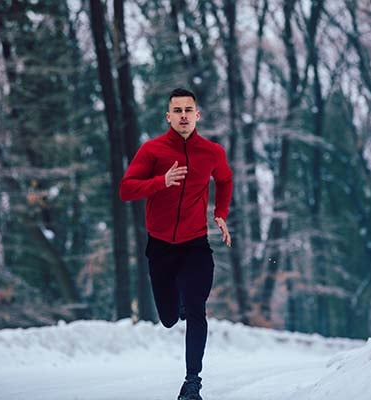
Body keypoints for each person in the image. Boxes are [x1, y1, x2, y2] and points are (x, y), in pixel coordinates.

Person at [120, 88, 233, 400]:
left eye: (188, 110)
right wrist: (161, 182)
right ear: (168, 116)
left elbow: (224, 180)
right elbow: (126, 189)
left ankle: (192, 382)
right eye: (177, 110)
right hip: (161, 248)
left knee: (197, 309)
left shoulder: (212, 152)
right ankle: (179, 303)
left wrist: (220, 213)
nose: (183, 115)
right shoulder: (152, 151)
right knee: (170, 318)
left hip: (195, 244)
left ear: (197, 115)